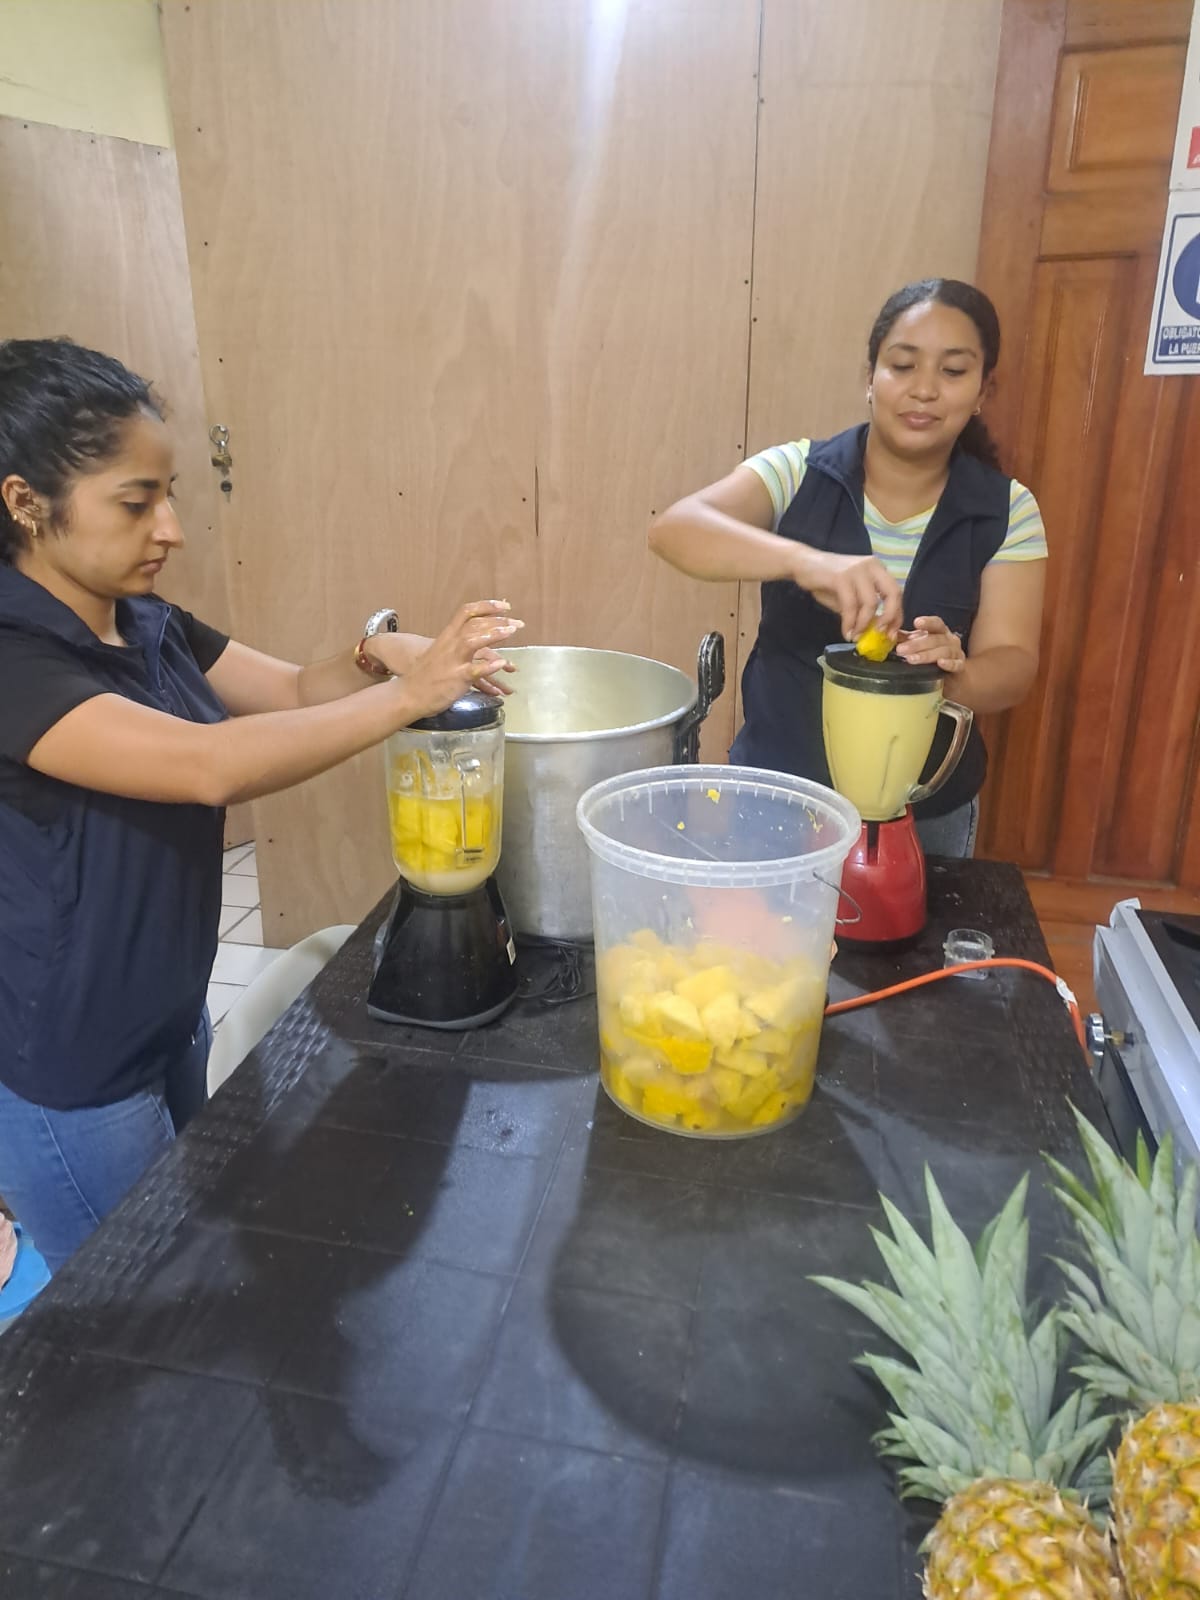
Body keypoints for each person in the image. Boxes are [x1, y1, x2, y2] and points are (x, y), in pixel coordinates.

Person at [0, 337, 521, 1277]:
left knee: (196, 1256)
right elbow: (208, 766)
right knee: (135, 1304)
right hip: (75, 1069)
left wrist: (377, 656)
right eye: (136, 503)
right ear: (25, 503)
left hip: (167, 1013)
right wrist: (410, 699)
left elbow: (288, 691)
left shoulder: (146, 619)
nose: (170, 529)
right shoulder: (15, 659)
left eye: (169, 496)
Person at [649, 278, 1047, 859]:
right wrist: (806, 562)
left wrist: (952, 671)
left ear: (984, 390)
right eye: (902, 366)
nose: (924, 390)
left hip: (922, 813)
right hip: (778, 794)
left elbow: (1013, 664)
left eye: (953, 371)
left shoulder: (1007, 509)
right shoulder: (797, 472)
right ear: (870, 377)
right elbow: (674, 530)